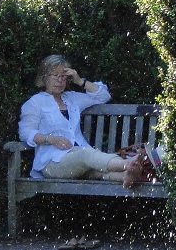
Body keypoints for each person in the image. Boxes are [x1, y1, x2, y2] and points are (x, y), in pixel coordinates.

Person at [19, 54, 138, 184]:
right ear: (44, 78)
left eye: (63, 76)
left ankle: (125, 176)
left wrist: (79, 81)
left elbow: (103, 96)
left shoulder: (72, 99)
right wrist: (50, 139)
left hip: (78, 158)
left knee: (94, 169)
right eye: (55, 75)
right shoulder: (35, 102)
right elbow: (26, 133)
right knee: (86, 155)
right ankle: (129, 163)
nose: (60, 80)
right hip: (52, 162)